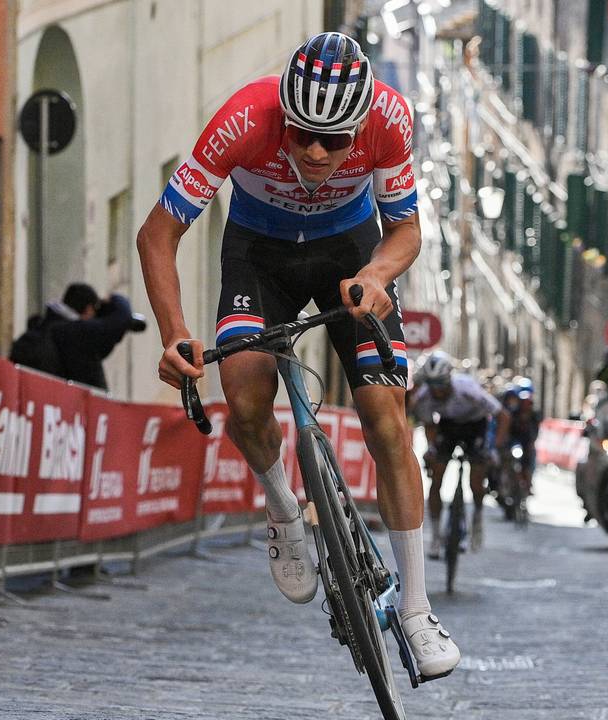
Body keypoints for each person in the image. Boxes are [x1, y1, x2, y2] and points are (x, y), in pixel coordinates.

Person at [134, 32, 461, 678]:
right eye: (301, 133)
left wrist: (376, 275)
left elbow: (406, 230)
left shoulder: (390, 120)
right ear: (281, 113)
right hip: (260, 256)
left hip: (349, 252)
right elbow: (157, 234)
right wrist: (173, 334)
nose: (314, 151)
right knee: (247, 397)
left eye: (334, 141)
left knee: (387, 422)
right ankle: (283, 507)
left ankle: (418, 612)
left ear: (360, 126)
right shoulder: (243, 121)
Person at [409, 352, 508, 557]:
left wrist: (494, 448)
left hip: (476, 425)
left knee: (476, 480)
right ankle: (436, 536)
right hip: (448, 426)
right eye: (432, 385)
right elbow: (429, 425)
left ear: (449, 380)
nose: (437, 391)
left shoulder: (468, 389)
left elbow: (502, 416)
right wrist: (431, 448)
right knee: (436, 478)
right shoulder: (425, 396)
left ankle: (477, 516)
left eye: (441, 385)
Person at [10, 282, 144, 390]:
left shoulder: (43, 326)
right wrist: (114, 299)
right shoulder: (73, 332)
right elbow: (121, 318)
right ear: (88, 310)